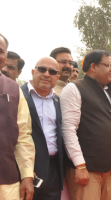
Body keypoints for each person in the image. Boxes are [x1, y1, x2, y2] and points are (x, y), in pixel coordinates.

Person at [60, 50, 111, 200]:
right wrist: (80, 165)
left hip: (109, 168)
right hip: (86, 169)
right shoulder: (74, 88)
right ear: (93, 67)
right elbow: (68, 129)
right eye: (108, 65)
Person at [20, 57, 64, 200]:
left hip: (53, 171)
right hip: (26, 170)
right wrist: (24, 170)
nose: (46, 74)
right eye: (42, 69)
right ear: (33, 72)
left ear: (57, 77)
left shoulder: (57, 100)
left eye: (52, 71)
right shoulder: (18, 96)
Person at [0, 33, 35, 200]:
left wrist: (27, 175)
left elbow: (23, 135)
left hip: (7, 182)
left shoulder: (14, 89)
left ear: (5, 56)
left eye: (0, 51)